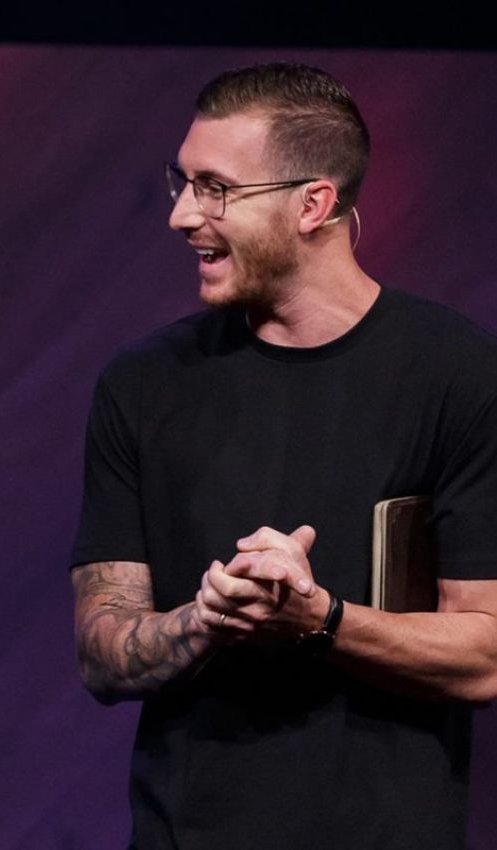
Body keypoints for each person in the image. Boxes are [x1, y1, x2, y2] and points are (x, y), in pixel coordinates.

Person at [71, 62, 497, 849]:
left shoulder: (458, 374)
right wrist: (206, 619)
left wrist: (319, 619)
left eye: (216, 189)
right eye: (183, 182)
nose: (183, 214)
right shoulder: (144, 384)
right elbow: (102, 654)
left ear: (313, 205)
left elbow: (486, 655)